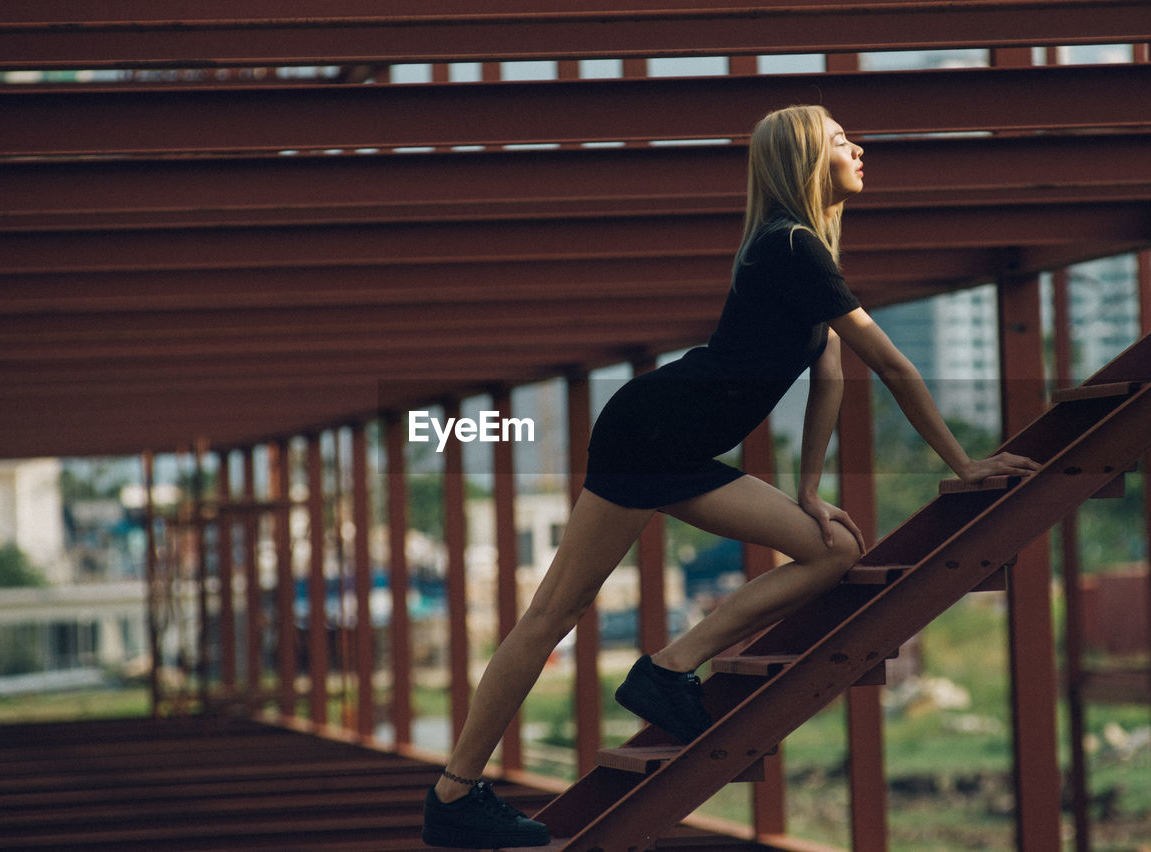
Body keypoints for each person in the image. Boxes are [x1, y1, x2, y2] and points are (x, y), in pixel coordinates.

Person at [421, 104, 1038, 849]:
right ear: (809, 160)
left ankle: (671, 666)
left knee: (833, 548)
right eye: (843, 141)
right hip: (651, 433)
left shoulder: (806, 247)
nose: (860, 147)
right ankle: (456, 793)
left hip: (677, 441)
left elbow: (833, 375)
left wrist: (810, 489)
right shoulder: (789, 246)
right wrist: (968, 462)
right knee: (555, 610)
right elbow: (893, 366)